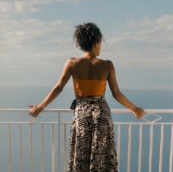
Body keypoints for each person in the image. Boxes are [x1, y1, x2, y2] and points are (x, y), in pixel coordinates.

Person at [29, 22, 145, 172]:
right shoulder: (107, 65)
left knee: (81, 154)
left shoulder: (72, 63)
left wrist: (41, 106)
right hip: (102, 114)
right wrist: (135, 109)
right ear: (96, 42)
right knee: (102, 155)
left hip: (82, 114)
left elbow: (58, 88)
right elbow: (116, 94)